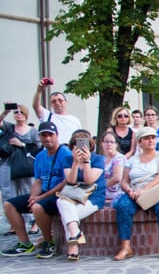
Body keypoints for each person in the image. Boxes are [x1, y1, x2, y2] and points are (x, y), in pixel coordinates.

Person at [1, 121, 73, 258]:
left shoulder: (65, 153)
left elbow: (66, 181)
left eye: (50, 135)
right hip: (43, 193)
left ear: (57, 135)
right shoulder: (40, 156)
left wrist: (40, 198)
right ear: (40, 137)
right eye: (43, 135)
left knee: (37, 207)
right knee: (9, 204)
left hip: (59, 194)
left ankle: (48, 241)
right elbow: (38, 180)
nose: (47, 138)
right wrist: (33, 196)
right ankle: (24, 243)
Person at [112, 127, 159, 260]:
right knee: (123, 205)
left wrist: (144, 190)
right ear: (139, 142)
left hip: (156, 192)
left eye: (152, 137)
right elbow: (124, 181)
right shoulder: (132, 160)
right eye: (146, 138)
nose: (150, 140)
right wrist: (129, 190)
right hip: (135, 192)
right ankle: (125, 247)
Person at [56, 130, 107, 261]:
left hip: (92, 198)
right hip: (73, 197)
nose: (79, 147)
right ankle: (76, 233)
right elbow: (71, 181)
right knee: (62, 203)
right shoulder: (67, 159)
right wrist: (75, 162)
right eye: (76, 144)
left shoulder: (98, 159)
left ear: (90, 146)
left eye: (84, 144)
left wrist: (86, 161)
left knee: (67, 216)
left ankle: (73, 247)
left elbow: (89, 180)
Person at [0, 103, 39, 216]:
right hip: (8, 163)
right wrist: (6, 111)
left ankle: (32, 219)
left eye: (21, 112)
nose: (18, 114)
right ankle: (13, 220)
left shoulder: (32, 131)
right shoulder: (9, 127)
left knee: (28, 190)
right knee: (8, 192)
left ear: (26, 115)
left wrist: (21, 144)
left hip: (26, 164)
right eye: (16, 112)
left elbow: (37, 148)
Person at [97, 130, 126, 207]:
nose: (109, 144)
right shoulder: (101, 159)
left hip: (116, 195)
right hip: (102, 195)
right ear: (102, 144)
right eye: (106, 142)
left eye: (112, 142)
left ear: (116, 144)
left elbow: (117, 178)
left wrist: (99, 188)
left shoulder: (119, 158)